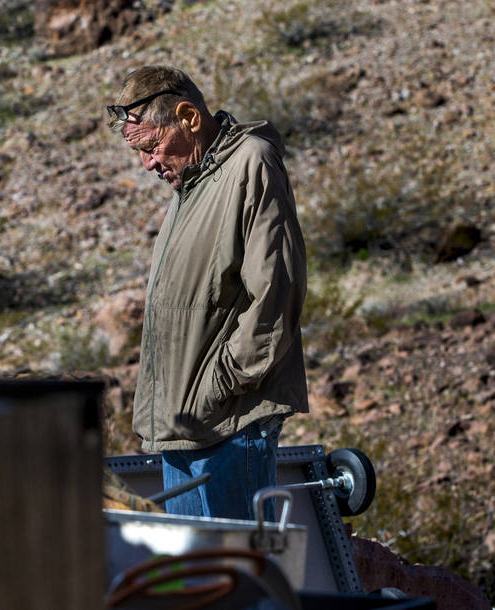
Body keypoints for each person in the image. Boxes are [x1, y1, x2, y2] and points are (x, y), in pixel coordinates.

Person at [107, 65, 308, 520]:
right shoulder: (191, 184)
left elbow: (277, 292)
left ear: (189, 119)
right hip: (184, 428)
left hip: (228, 426)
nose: (149, 164)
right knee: (200, 584)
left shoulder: (250, 163)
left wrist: (220, 385)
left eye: (152, 147)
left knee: (239, 580)